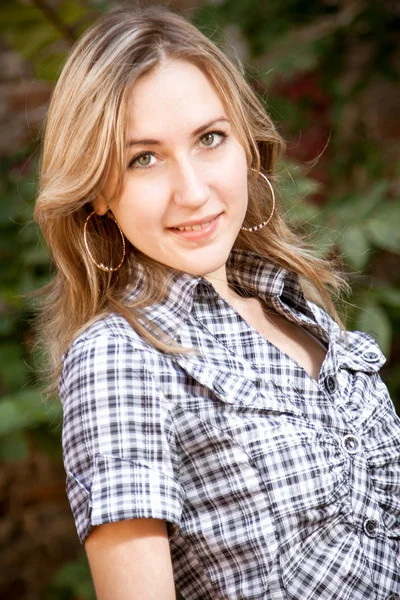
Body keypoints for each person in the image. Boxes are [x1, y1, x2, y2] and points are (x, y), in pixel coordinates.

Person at [34, 5, 400, 600]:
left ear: (245, 146)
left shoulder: (293, 305)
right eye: (143, 158)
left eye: (210, 138)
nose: (195, 191)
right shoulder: (118, 355)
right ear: (97, 190)